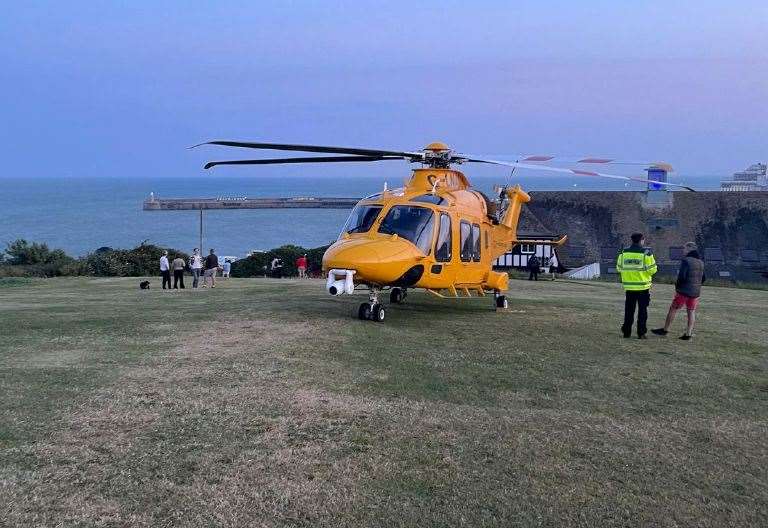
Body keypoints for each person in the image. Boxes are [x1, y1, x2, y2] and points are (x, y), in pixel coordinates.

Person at [652, 242, 706, 340]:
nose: (683, 251)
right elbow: (703, 278)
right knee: (691, 311)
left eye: (684, 249)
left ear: (690, 249)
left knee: (673, 308)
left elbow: (682, 276)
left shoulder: (686, 261)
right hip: (695, 292)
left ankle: (665, 329)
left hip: (684, 291)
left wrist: (677, 287)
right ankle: (688, 334)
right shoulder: (700, 262)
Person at [616, 232, 658, 339]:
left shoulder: (624, 253)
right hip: (643, 287)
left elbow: (619, 268)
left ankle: (626, 332)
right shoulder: (646, 253)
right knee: (642, 311)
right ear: (641, 240)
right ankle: (641, 333)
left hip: (629, 287)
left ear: (632, 240)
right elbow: (652, 270)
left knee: (629, 311)